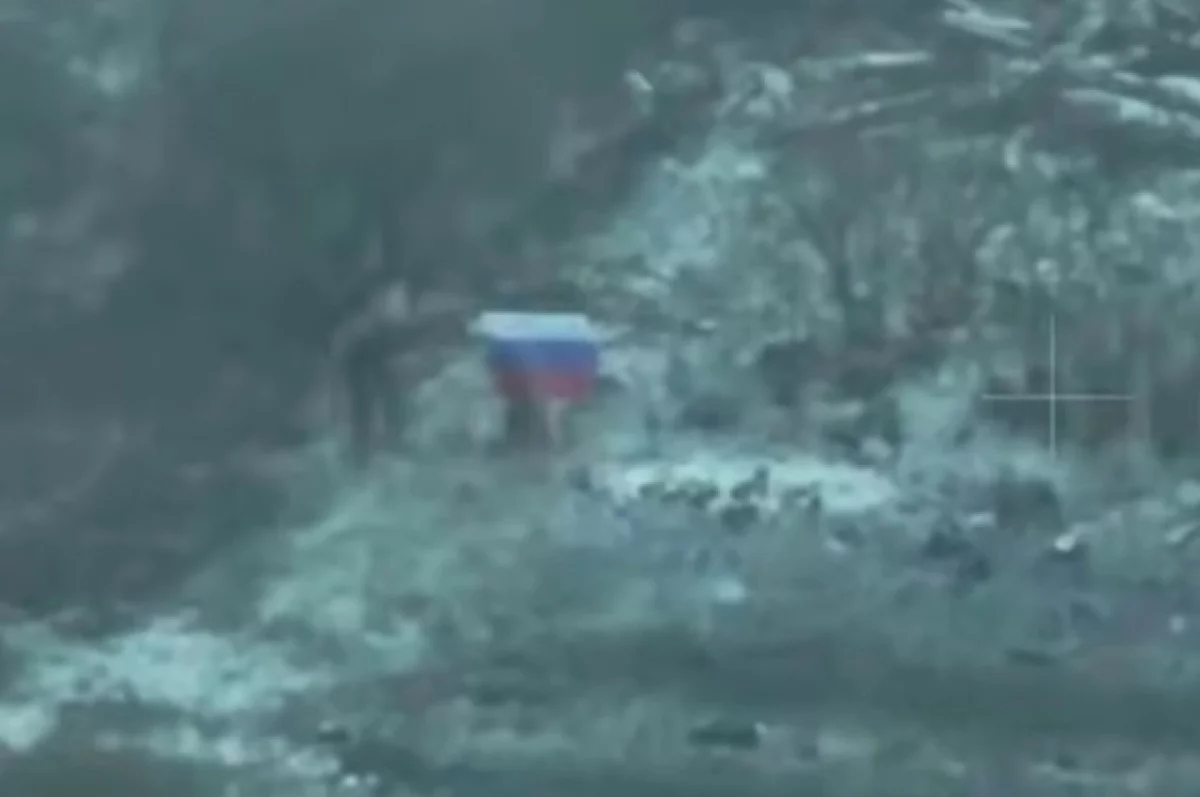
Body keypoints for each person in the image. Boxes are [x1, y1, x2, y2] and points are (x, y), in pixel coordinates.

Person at [331, 282, 468, 465]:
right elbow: (394, 335)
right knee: (367, 402)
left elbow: (399, 341)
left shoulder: (398, 313)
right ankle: (367, 448)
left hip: (372, 350)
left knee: (386, 397)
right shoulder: (386, 316)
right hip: (361, 351)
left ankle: (386, 441)